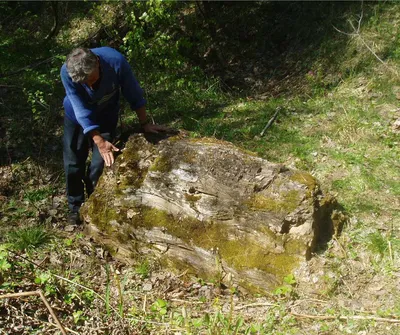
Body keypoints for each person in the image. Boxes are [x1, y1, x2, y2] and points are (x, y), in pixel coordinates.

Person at [61, 47, 165, 224]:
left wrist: (144, 123)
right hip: (76, 117)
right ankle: (76, 207)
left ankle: (95, 204)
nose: (89, 86)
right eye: (84, 83)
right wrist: (98, 140)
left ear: (98, 64)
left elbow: (133, 93)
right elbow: (81, 110)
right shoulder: (67, 71)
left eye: (91, 80)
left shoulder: (115, 61)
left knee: (99, 165)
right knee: (72, 164)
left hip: (106, 115)